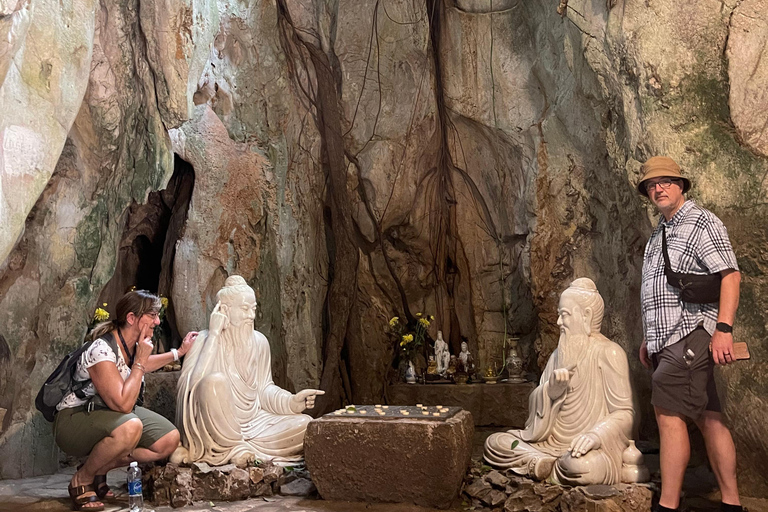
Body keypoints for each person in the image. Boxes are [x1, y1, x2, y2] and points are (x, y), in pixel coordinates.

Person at [637, 156, 743, 512]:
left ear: (681, 185)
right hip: (667, 339)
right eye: (652, 184)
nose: (658, 188)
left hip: (690, 334)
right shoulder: (659, 233)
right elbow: (661, 291)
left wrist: (723, 329)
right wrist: (649, 339)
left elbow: (730, 275)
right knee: (708, 417)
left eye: (666, 181)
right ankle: (731, 503)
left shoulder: (700, 222)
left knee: (667, 416)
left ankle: (667, 506)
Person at [55, 290, 198, 511]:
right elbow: (122, 404)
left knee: (168, 439)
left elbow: (143, 363)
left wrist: (179, 352)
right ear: (132, 318)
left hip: (107, 414)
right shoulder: (101, 350)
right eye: (152, 315)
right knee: (131, 427)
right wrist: (140, 360)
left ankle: (97, 467)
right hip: (74, 419)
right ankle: (82, 480)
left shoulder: (130, 346)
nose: (157, 321)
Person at [484, 278, 634, 485]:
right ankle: (539, 463)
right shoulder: (557, 355)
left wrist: (595, 436)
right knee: (496, 442)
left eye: (565, 315)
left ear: (586, 316)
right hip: (547, 445)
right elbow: (535, 414)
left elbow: (625, 413)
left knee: (582, 467)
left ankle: (545, 466)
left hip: (586, 449)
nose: (558, 323)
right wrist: (550, 392)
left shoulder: (609, 353)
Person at [172, 275, 324, 466]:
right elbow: (190, 390)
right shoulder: (203, 340)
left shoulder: (259, 342)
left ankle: (238, 449)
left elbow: (264, 389)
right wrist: (215, 335)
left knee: (304, 424)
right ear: (224, 310)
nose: (251, 316)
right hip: (216, 426)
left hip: (255, 422)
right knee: (214, 382)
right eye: (244, 309)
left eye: (253, 309)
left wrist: (291, 402)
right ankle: (237, 448)